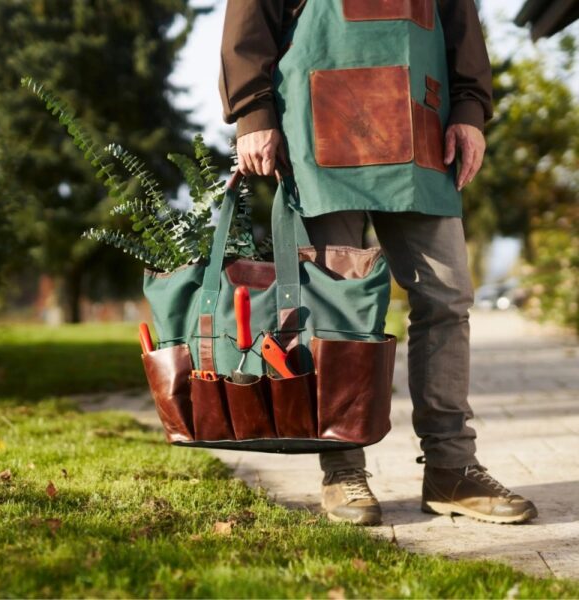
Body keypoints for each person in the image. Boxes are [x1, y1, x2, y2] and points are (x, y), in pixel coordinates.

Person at [219, 0, 538, 525]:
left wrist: (469, 109)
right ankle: (342, 468)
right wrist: (253, 111)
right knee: (334, 307)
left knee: (447, 297)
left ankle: (452, 468)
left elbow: (460, 17)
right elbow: (250, 16)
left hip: (421, 118)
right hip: (316, 117)